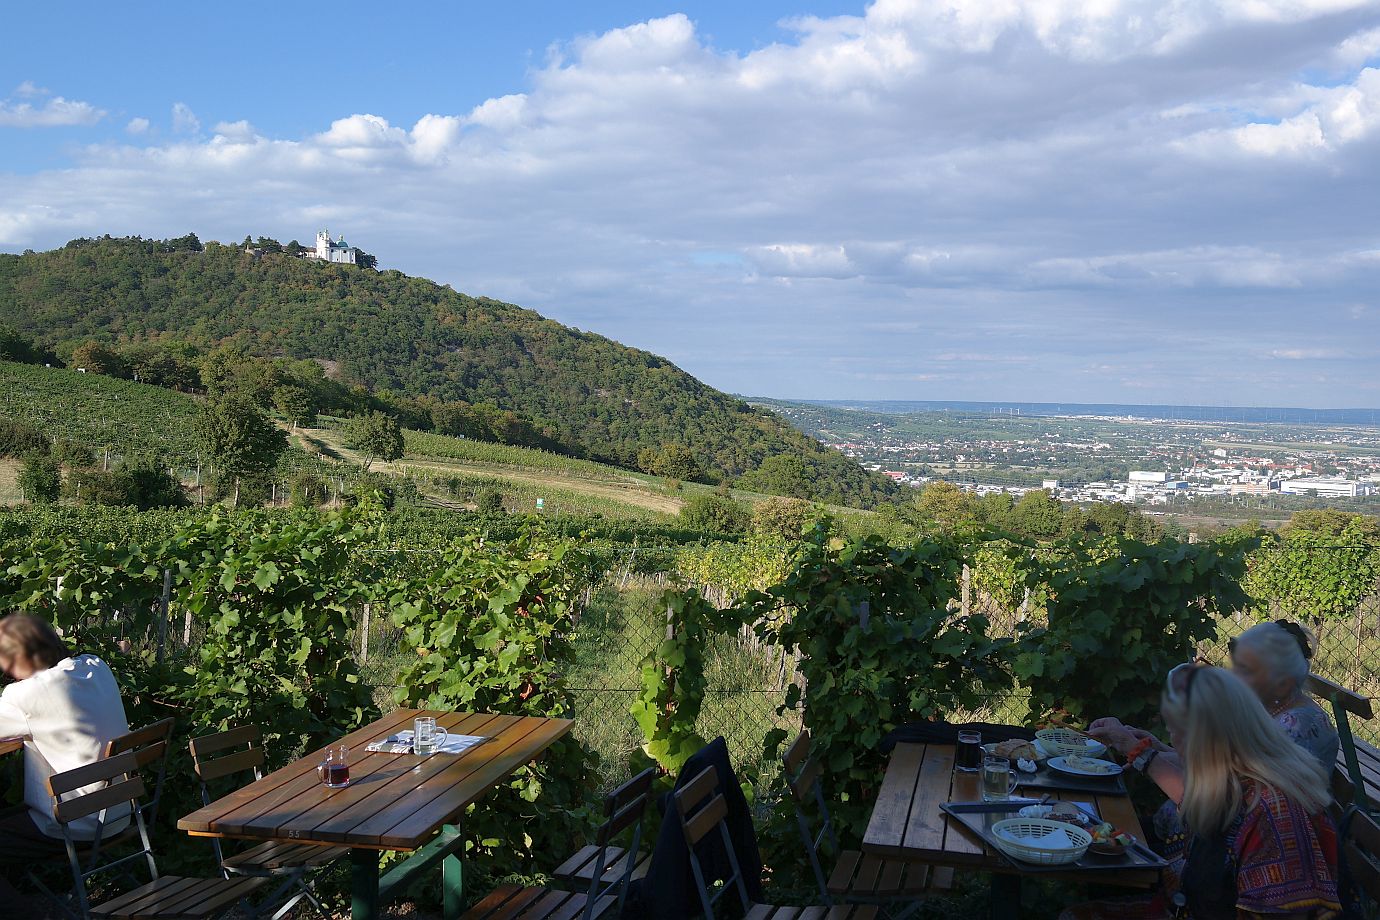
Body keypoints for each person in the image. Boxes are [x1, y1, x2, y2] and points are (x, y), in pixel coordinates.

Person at [1063, 667, 1340, 920]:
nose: (1174, 744)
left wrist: (1137, 751)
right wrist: (1147, 747)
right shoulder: (1240, 775)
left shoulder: (1273, 812)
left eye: (1176, 732)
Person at [1089, 621, 1338, 862]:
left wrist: (1139, 753)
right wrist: (1152, 747)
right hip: (1199, 840)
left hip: (1229, 859)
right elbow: (1221, 768)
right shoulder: (1270, 710)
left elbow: (1217, 801)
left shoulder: (1295, 727)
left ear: (1282, 683)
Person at [0, 614, 131, 906]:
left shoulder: (24, 695)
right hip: (119, 815)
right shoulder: (97, 668)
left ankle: (37, 913)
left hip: (72, 825)